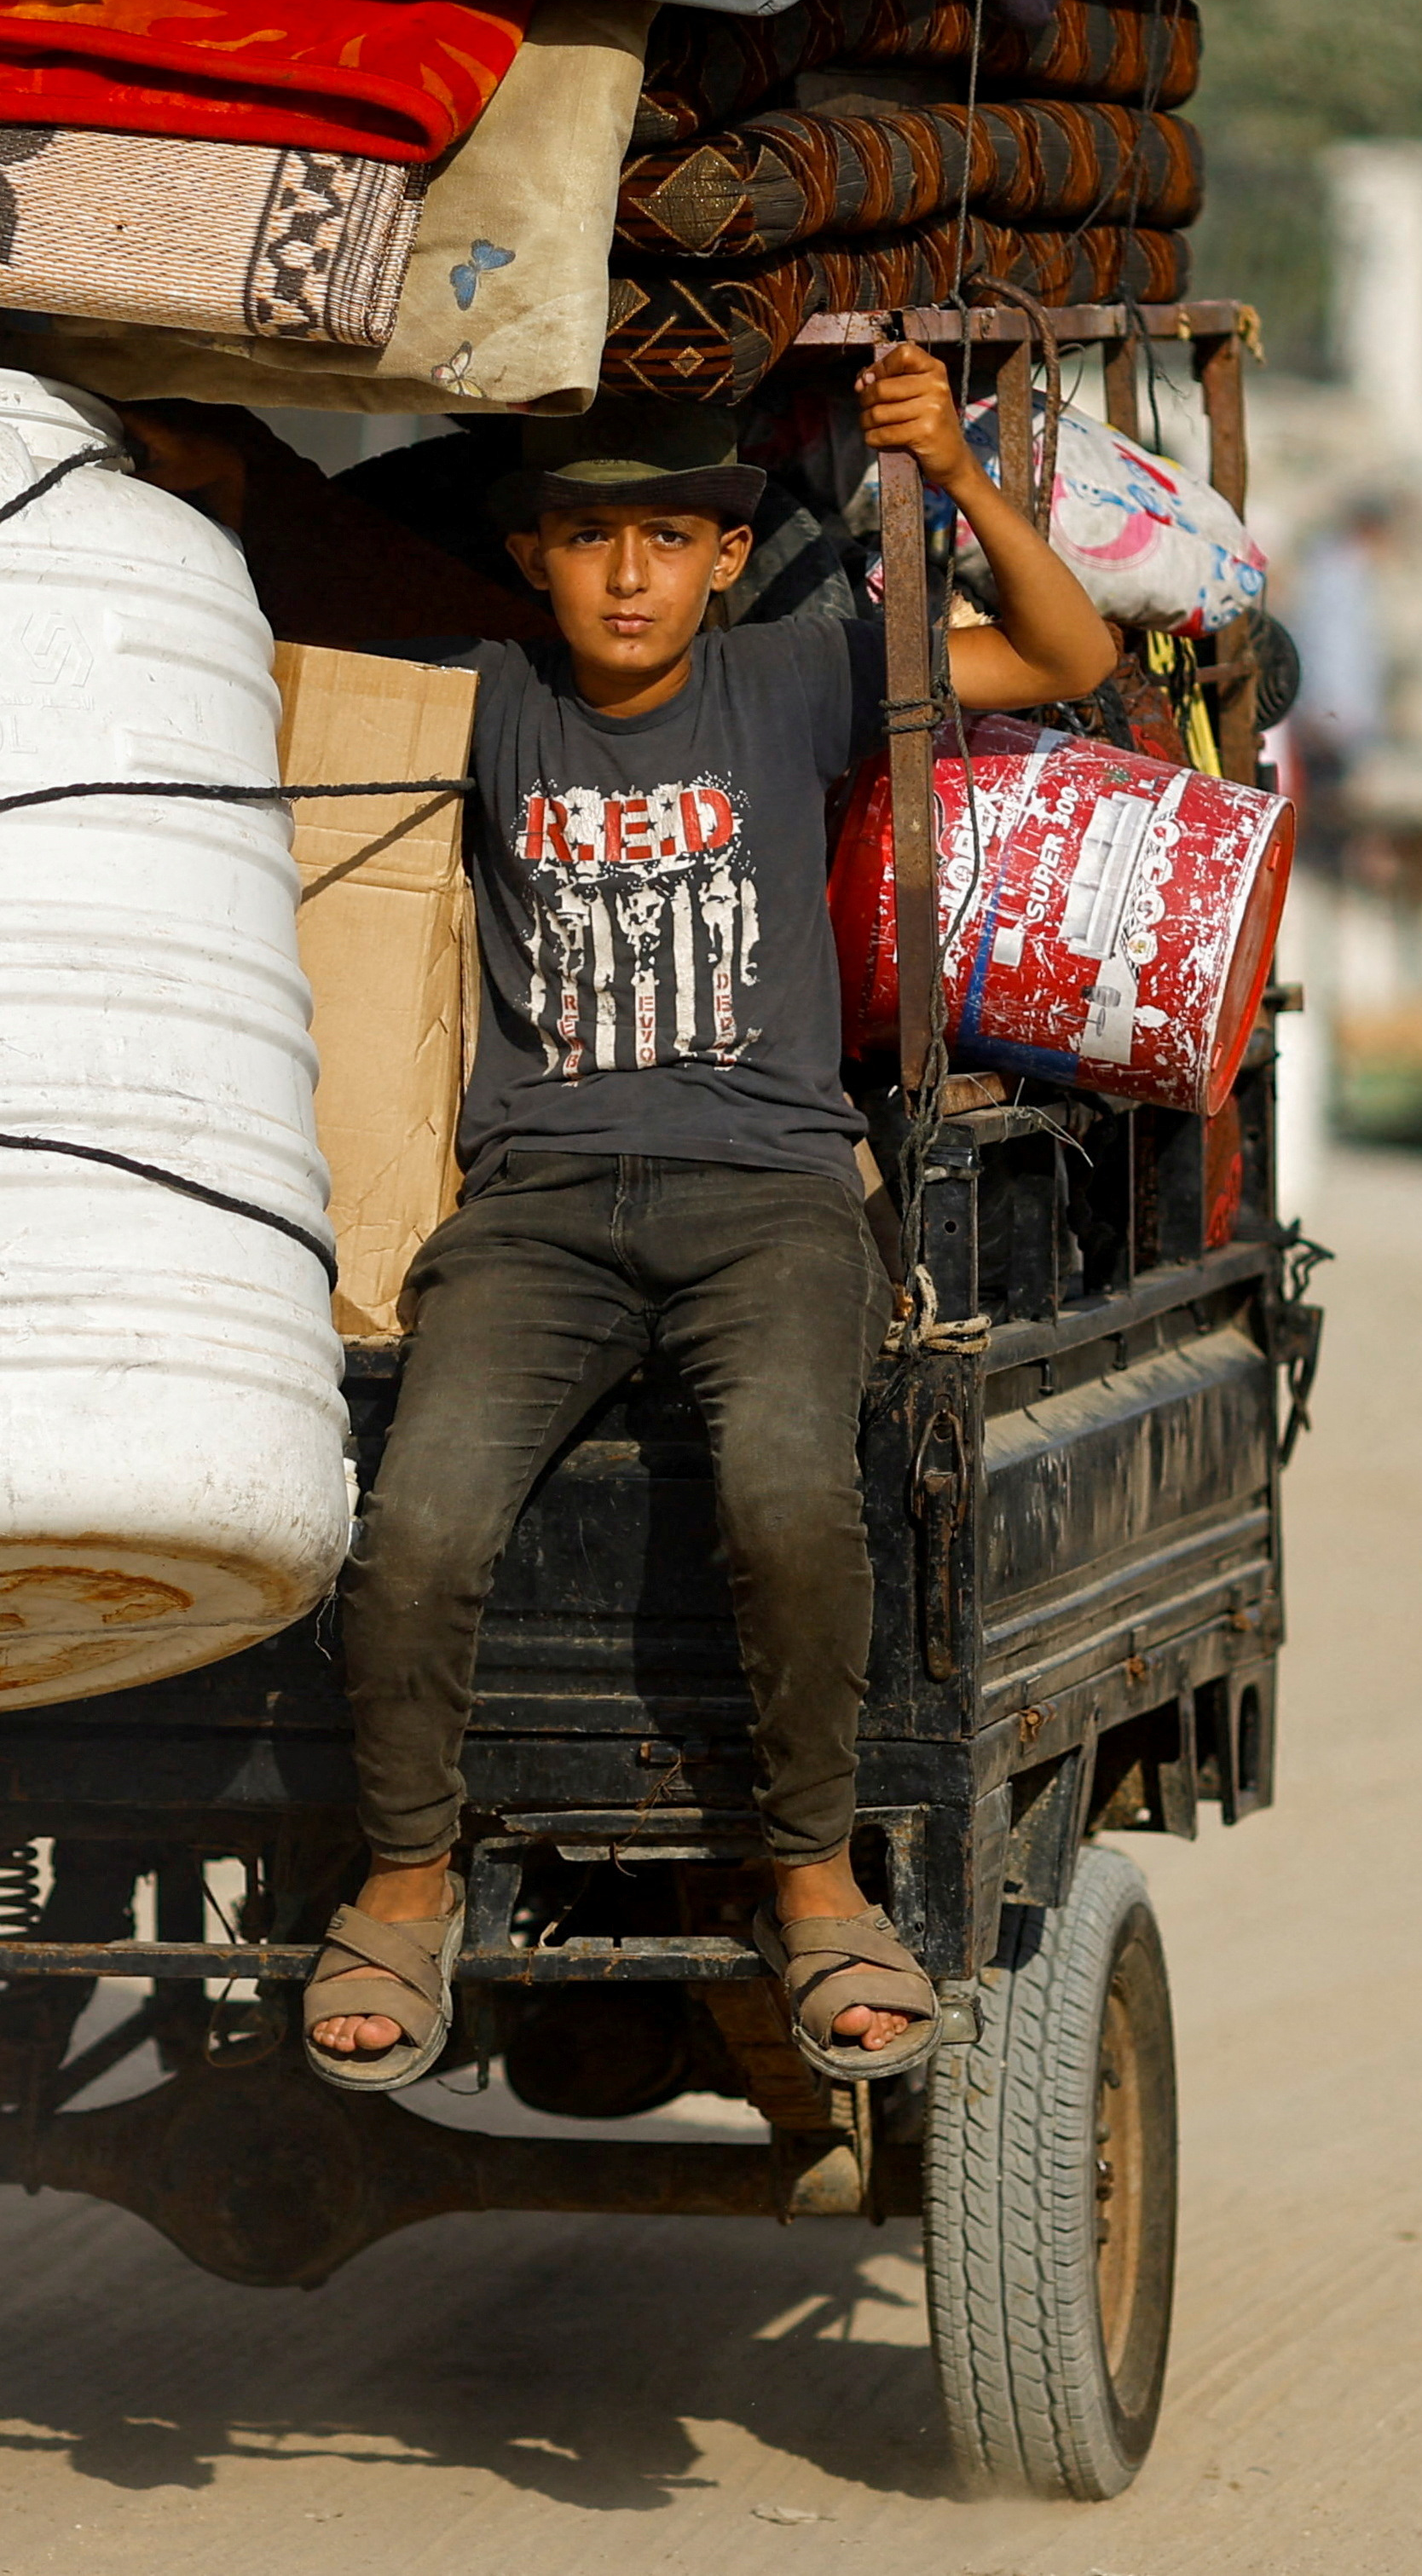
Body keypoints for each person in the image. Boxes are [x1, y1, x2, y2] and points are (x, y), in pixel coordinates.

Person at [297, 354, 1118, 2091]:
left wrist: (951, 480)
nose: (624, 575)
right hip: (532, 1215)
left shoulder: (793, 674)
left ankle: (815, 1883)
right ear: (528, 556)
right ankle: (404, 1876)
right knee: (416, 1525)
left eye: (664, 536)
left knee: (788, 1494)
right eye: (587, 537)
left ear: (724, 558)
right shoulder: (478, 695)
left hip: (769, 1201)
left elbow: (1068, 660)